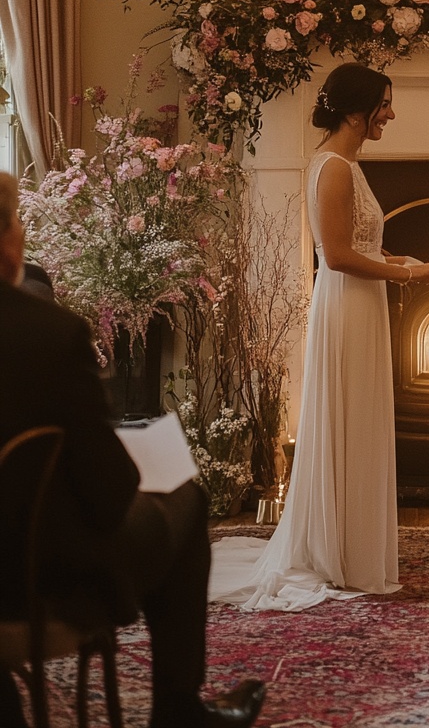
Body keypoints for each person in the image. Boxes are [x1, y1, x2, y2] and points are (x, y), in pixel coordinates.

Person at [0, 171, 266, 728]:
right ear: (8, 240)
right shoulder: (50, 335)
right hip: (35, 582)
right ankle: (177, 711)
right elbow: (108, 494)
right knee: (187, 500)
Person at [210, 63, 429, 610]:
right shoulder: (335, 168)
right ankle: (335, 553)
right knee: (349, 416)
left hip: (362, 303)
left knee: (360, 418)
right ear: (356, 110)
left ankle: (352, 545)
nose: (391, 115)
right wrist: (416, 275)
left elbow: (366, 248)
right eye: (385, 105)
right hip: (346, 305)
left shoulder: (347, 163)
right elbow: (341, 257)